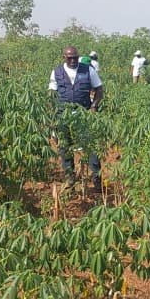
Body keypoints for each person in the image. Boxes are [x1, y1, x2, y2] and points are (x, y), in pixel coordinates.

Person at [49, 46, 104, 191]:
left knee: (92, 147)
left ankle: (96, 179)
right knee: (64, 146)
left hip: (84, 114)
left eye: (75, 57)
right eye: (70, 58)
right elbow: (52, 94)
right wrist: (53, 115)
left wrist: (94, 106)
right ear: (64, 57)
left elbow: (99, 89)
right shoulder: (56, 72)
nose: (73, 60)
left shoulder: (88, 70)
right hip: (63, 115)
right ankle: (70, 178)